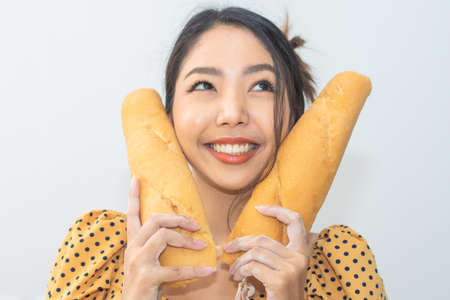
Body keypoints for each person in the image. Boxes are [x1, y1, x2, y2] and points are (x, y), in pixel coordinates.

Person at [45, 6, 387, 300]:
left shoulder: (340, 263)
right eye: (205, 85)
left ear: (297, 117)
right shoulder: (99, 249)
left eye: (262, 86)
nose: (232, 112)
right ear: (169, 116)